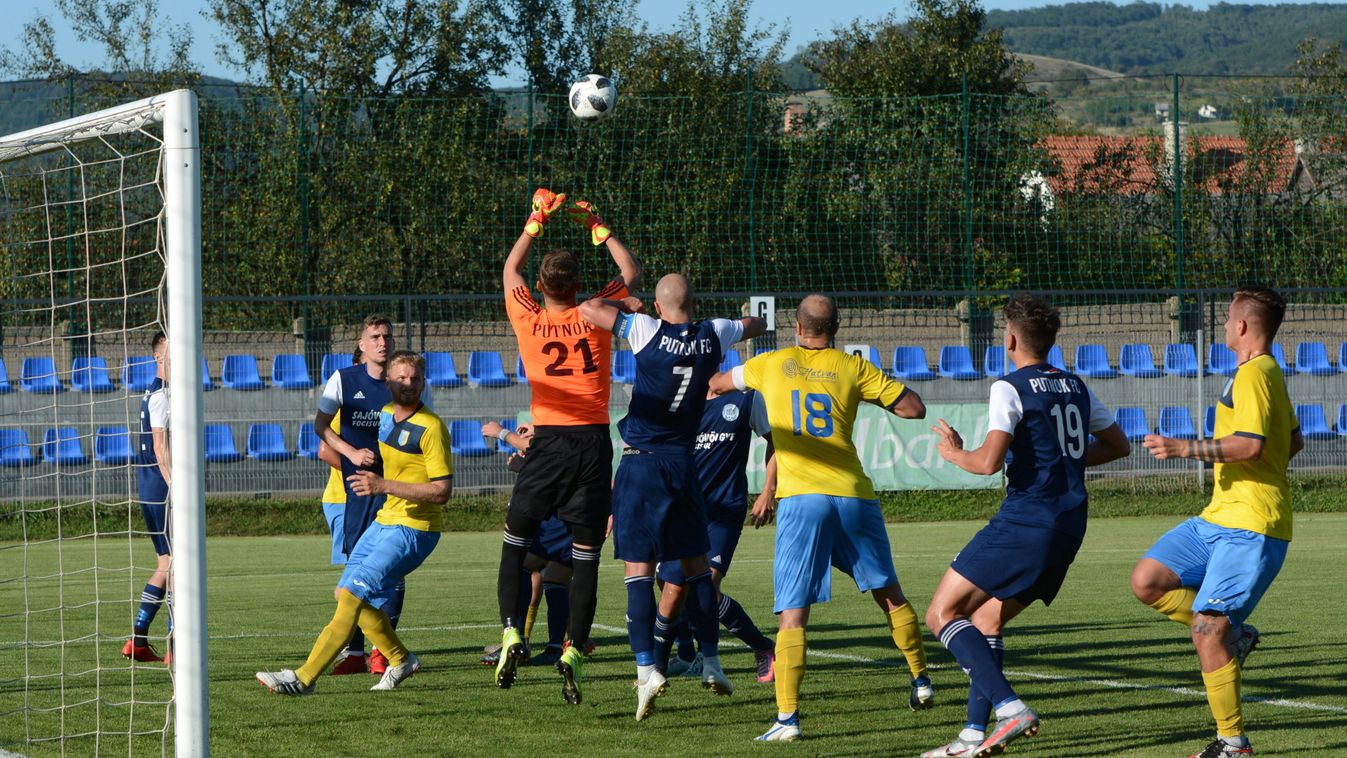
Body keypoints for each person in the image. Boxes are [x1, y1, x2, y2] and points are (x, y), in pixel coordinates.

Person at [708, 294, 933, 743]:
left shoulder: (771, 363)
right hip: (852, 494)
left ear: (796, 325)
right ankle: (921, 680)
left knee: (794, 614)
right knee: (889, 593)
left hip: (802, 499)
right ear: (836, 327)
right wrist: (872, 393)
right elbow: (914, 407)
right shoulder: (853, 368)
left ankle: (787, 720)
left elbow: (716, 383)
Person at [925, 295, 1130, 758]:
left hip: (1026, 520)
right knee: (986, 617)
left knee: (941, 614)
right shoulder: (1075, 385)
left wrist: (956, 452)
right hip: (1069, 527)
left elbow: (988, 462)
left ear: (1011, 338)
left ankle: (1010, 708)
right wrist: (1063, 464)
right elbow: (1119, 446)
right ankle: (974, 736)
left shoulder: (1009, 386)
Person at [577, 273, 766, 720]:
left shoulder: (646, 330)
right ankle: (713, 663)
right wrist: (738, 325)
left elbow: (587, 308)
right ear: (694, 304)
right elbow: (754, 324)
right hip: (685, 467)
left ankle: (647, 669)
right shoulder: (714, 333)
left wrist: (628, 305)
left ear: (659, 307)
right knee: (698, 569)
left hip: (643, 464)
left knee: (638, 572)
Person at [1131, 286, 1301, 758]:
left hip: (1252, 525)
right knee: (1148, 580)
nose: (1224, 325)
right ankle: (1237, 635)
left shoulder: (1256, 375)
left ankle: (1232, 744)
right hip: (1218, 516)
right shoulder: (1263, 373)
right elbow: (1294, 441)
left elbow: (1251, 446)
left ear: (1243, 326)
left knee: (1206, 629)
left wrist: (1185, 448)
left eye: (1228, 318)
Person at [494, 188, 641, 705]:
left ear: (541, 286)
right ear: (578, 284)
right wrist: (594, 222)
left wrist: (536, 220)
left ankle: (513, 631)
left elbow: (510, 269)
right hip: (595, 443)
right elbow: (632, 273)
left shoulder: (529, 318)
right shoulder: (597, 312)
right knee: (585, 556)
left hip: (550, 441)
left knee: (516, 542)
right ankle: (573, 649)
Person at [256, 350, 451, 695]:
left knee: (351, 596)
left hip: (413, 530)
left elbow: (441, 491)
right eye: (401, 378)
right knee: (345, 593)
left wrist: (382, 485)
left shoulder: (432, 428)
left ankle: (303, 679)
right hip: (384, 520)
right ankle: (400, 658)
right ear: (388, 382)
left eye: (415, 379)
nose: (408, 384)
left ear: (423, 383)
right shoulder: (388, 415)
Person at [314, 315, 431, 676]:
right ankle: (354, 651)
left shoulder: (405, 386)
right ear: (362, 344)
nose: (383, 341)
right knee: (355, 570)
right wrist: (350, 453)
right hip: (357, 495)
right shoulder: (343, 380)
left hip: (394, 493)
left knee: (391, 573)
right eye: (375, 336)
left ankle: (383, 652)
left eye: (387, 336)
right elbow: (320, 426)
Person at [653, 385, 777, 685]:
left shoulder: (747, 398)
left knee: (706, 584)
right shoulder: (678, 400)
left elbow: (777, 445)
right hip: (684, 511)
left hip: (724, 511)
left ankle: (762, 648)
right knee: (670, 589)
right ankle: (659, 670)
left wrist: (768, 491)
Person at [480, 420, 581, 669]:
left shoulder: (561, 428)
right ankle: (556, 645)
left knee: (524, 567)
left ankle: (520, 641)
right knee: (555, 577)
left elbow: (546, 450)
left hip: (562, 515)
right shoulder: (574, 426)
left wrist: (502, 433)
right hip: (570, 513)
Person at [318, 346, 369, 675]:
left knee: (370, 573)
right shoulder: (347, 401)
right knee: (357, 576)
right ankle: (355, 651)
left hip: (370, 496)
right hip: (344, 498)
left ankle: (362, 650)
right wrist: (358, 472)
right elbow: (325, 449)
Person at [122, 330, 172, 665]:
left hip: (148, 487)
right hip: (161, 487)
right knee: (179, 568)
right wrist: (176, 484)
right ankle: (175, 646)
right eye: (171, 351)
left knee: (166, 564)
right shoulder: (163, 395)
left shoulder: (152, 392)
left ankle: (139, 641)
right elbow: (160, 446)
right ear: (157, 356)